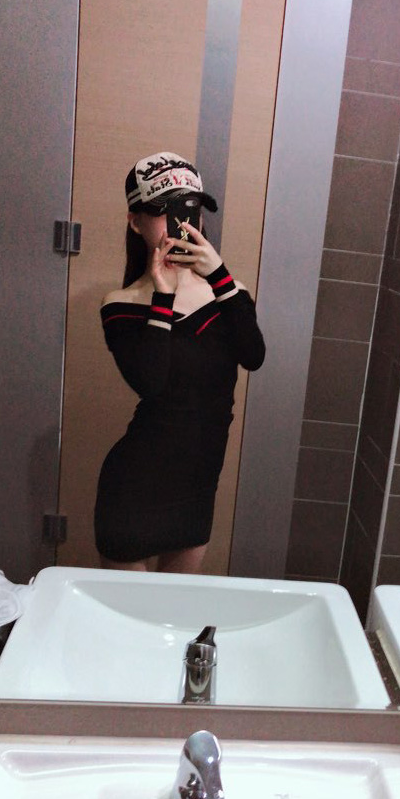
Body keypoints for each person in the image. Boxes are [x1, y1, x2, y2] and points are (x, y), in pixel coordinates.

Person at [94, 152, 265, 573]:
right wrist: (163, 297)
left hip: (197, 489)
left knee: (178, 610)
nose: (182, 223)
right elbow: (151, 382)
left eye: (190, 209)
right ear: (135, 222)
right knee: (129, 616)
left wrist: (220, 276)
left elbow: (254, 356)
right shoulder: (120, 304)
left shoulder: (230, 293)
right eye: (165, 211)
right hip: (134, 489)